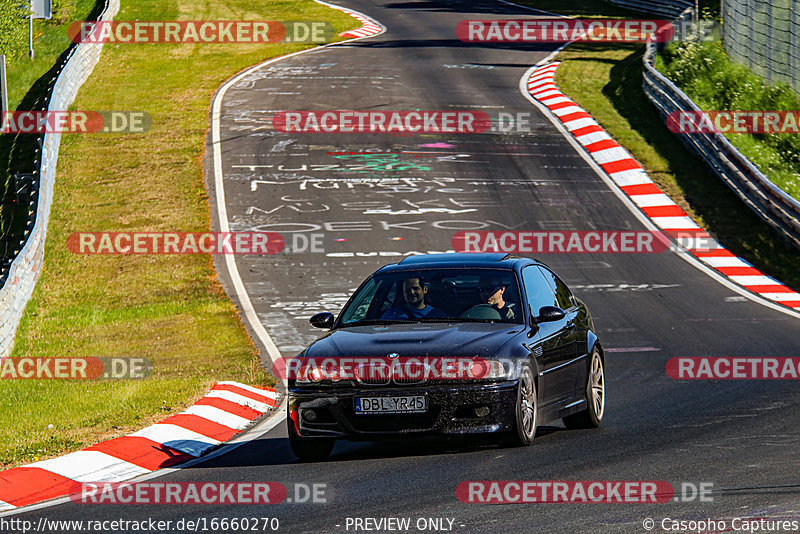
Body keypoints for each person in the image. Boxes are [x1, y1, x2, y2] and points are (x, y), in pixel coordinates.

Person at [381, 275, 447, 320]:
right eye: (407, 290)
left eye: (415, 288)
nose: (411, 292)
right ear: (403, 292)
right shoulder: (391, 314)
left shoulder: (437, 314)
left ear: (425, 290)